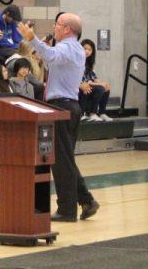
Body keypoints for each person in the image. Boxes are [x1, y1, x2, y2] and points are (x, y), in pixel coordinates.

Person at [17, 14, 99, 222]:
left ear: (67, 29)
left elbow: (52, 56)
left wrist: (32, 39)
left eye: (58, 25)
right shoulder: (73, 48)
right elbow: (51, 57)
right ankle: (87, 200)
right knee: (64, 159)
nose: (54, 27)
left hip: (62, 106)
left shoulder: (68, 47)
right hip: (68, 105)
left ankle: (66, 210)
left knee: (60, 160)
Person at [79, 39, 111, 122]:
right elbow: (85, 81)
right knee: (100, 88)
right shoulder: (77, 60)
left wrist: (102, 82)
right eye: (85, 48)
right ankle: (92, 113)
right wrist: (98, 84)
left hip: (87, 84)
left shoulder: (88, 62)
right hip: (79, 86)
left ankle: (102, 113)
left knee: (106, 87)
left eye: (90, 50)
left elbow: (93, 77)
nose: (87, 51)